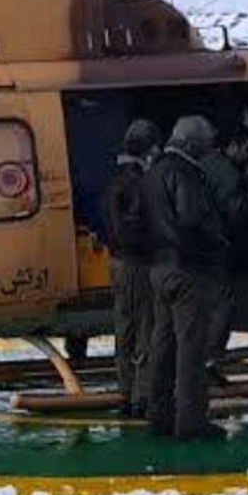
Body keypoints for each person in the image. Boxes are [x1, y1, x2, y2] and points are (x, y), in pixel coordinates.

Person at [142, 115, 229, 440]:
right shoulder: (185, 173)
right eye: (207, 144)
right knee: (190, 347)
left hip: (157, 268)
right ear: (193, 144)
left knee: (162, 344)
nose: (210, 149)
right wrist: (217, 246)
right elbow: (191, 220)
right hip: (187, 270)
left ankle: (158, 412)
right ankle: (191, 420)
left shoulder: (151, 173)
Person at [101, 119, 161, 417]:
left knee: (124, 328)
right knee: (145, 330)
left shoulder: (114, 182)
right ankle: (142, 396)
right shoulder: (139, 184)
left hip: (117, 263)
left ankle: (125, 391)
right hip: (138, 264)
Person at [197, 130, 248, 370]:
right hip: (216, 246)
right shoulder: (228, 173)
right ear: (232, 146)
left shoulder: (203, 164)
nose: (246, 155)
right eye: (245, 149)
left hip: (196, 247)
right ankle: (211, 354)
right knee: (223, 302)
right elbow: (237, 215)